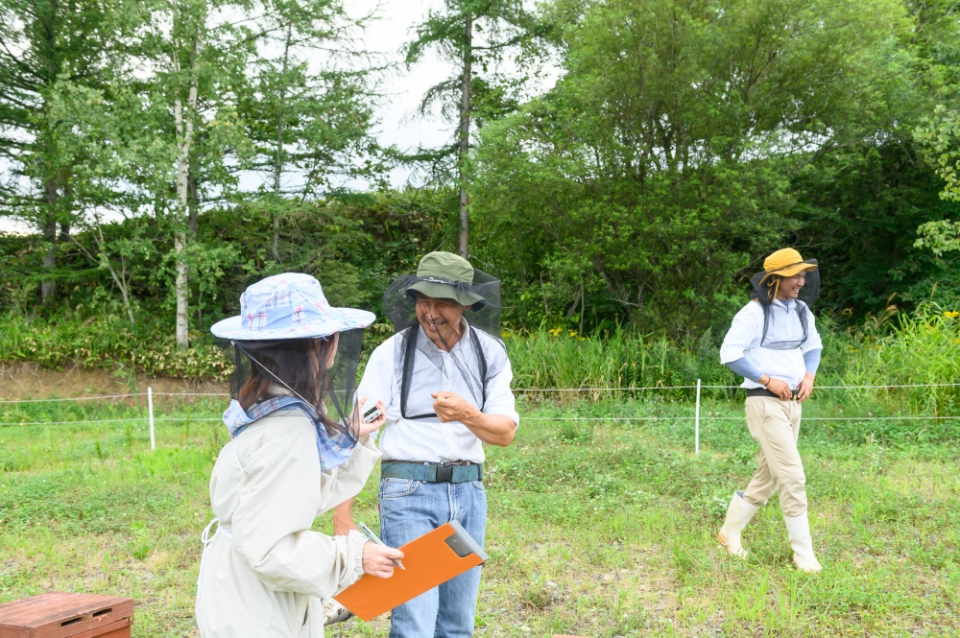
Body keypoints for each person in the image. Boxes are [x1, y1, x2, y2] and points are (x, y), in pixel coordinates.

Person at [195, 273, 404, 638]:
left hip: (242, 590)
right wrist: (356, 556)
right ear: (321, 345)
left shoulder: (268, 407)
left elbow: (292, 495)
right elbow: (269, 548)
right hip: (259, 608)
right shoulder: (288, 431)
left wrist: (352, 437)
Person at [334, 251, 519, 638]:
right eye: (423, 301)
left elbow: (503, 433)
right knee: (415, 622)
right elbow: (358, 431)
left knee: (457, 623)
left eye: (444, 304)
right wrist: (342, 516)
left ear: (466, 304)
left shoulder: (490, 353)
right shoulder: (392, 353)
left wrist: (468, 414)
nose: (431, 313)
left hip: (469, 493)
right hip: (409, 492)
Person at [717, 248, 824, 573]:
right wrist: (767, 379)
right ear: (775, 279)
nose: (801, 281)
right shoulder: (752, 314)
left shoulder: (801, 310)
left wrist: (809, 375)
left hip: (793, 403)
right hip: (764, 402)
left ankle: (729, 532)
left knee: (769, 475)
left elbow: (813, 346)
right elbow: (729, 354)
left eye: (804, 275)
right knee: (792, 475)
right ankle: (804, 556)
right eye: (795, 275)